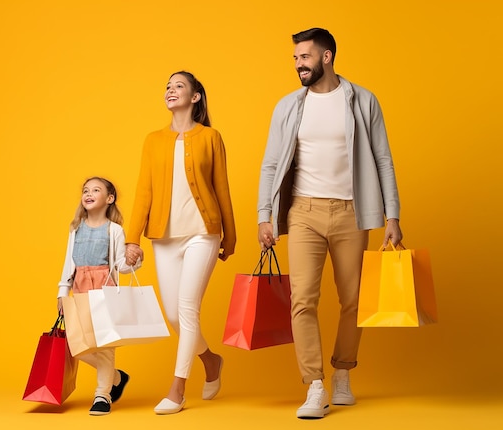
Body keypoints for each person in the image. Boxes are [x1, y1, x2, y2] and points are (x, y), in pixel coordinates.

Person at [257, 28, 403, 419]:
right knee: (302, 299)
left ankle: (342, 373)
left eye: (304, 57)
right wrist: (264, 215)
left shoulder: (362, 100)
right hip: (302, 212)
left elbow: (384, 159)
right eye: (294, 58)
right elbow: (271, 164)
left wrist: (393, 215)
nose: (298, 64)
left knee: (353, 300)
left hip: (352, 212)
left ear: (326, 57)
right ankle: (315, 384)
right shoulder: (288, 106)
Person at [125, 71, 236, 415]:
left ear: (196, 97)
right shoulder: (152, 140)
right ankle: (211, 360)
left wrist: (229, 236)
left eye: (179, 86)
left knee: (188, 309)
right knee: (173, 314)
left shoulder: (210, 137)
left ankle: (177, 389)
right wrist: (132, 238)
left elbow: (222, 188)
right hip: (164, 238)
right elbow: (144, 191)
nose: (171, 91)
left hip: (203, 234)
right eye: (168, 87)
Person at [57, 176, 141, 415]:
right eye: (85, 190)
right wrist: (63, 291)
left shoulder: (114, 230)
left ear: (109, 199)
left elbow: (121, 266)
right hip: (80, 290)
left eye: (95, 190)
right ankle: (116, 377)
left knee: (104, 347)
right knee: (77, 344)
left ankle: (102, 396)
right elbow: (68, 263)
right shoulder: (75, 229)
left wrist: (136, 258)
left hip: (105, 291)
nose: (88, 193)